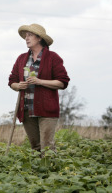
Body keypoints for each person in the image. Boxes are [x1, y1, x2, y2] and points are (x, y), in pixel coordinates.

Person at [8, 23, 70, 155]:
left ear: (39, 38)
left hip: (47, 109)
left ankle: (51, 173)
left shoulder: (53, 57)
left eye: (30, 35)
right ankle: (38, 174)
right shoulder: (21, 59)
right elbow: (11, 81)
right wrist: (18, 86)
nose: (26, 38)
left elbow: (63, 82)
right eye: (25, 36)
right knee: (35, 147)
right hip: (27, 109)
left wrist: (39, 81)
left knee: (47, 147)